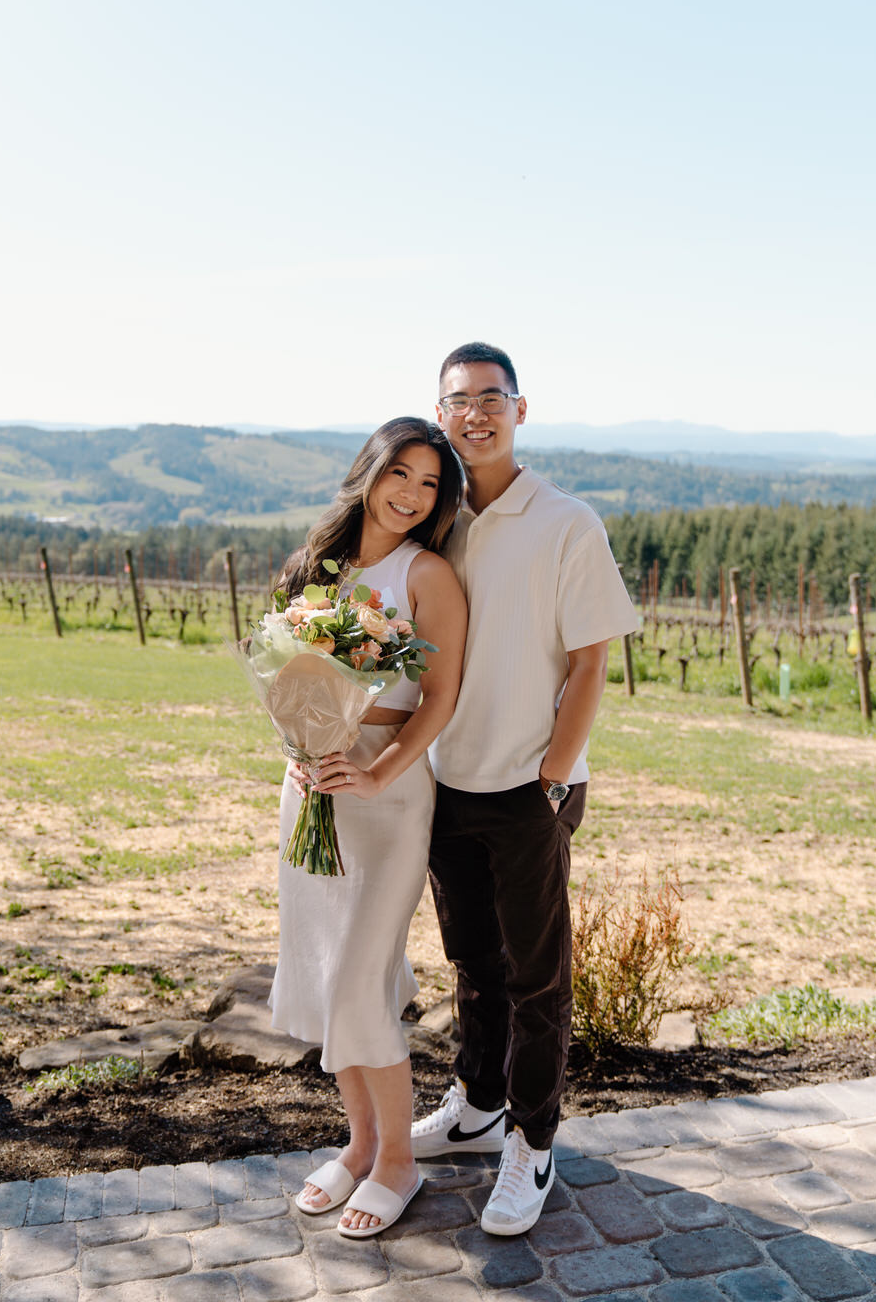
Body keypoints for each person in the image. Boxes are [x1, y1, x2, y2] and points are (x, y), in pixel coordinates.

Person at [410, 344, 639, 1236]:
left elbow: (590, 662)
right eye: (457, 400)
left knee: (538, 978)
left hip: (530, 788)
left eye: (490, 397)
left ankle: (532, 1143)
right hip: (447, 777)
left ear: (520, 408)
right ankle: (477, 1105)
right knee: (474, 961)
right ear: (441, 411)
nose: (475, 413)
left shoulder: (567, 522)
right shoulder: (441, 519)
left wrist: (551, 780)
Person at [270, 417, 467, 1240]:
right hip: (313, 783)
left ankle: (399, 1165)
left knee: (359, 981)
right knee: (323, 975)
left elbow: (440, 696)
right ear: (371, 470)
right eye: (404, 475)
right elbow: (285, 667)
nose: (415, 496)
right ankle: (359, 1146)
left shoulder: (428, 576)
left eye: (432, 486)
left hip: (386, 793)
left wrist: (379, 768)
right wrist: (298, 740)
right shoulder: (315, 566)